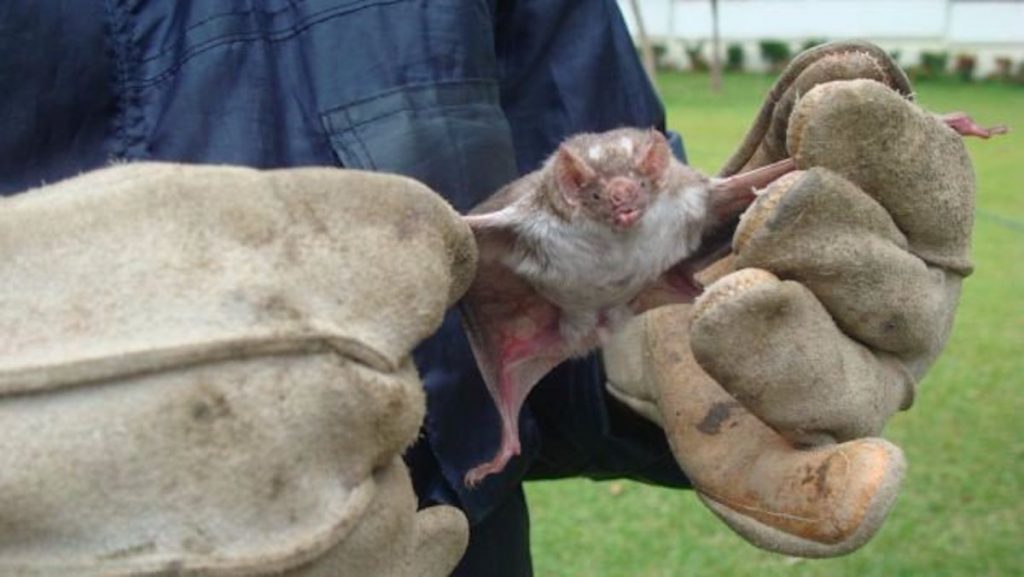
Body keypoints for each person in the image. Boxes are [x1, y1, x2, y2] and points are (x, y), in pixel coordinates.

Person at [0, 2, 976, 575]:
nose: (629, 192)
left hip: (445, 539)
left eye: (640, 176)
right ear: (572, 179)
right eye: (610, 185)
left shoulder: (634, 185)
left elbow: (593, 116)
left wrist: (676, 340)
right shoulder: (510, 223)